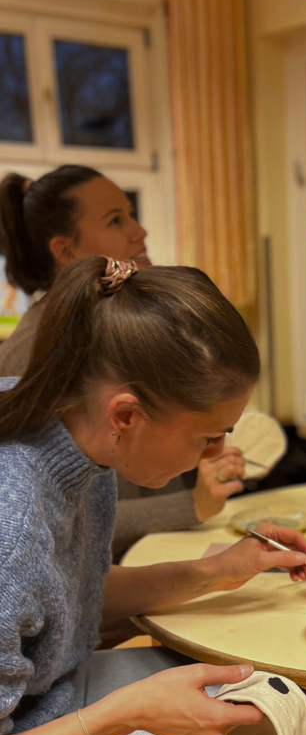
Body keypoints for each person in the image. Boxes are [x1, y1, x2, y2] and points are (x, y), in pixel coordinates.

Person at [0, 257, 306, 735]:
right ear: (125, 416)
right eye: (209, 437)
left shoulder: (80, 439)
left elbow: (63, 595)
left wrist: (217, 570)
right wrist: (125, 714)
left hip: (45, 700)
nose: (219, 455)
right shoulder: (15, 527)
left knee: (280, 701)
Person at [0, 166, 246, 557]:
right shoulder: (29, 357)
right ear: (64, 250)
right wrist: (190, 505)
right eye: (116, 220)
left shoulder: (118, 330)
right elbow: (51, 531)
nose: (140, 231)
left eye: (131, 214)